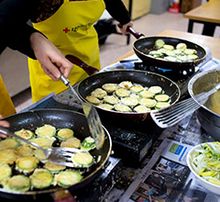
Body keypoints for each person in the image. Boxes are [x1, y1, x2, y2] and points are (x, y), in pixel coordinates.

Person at [28, 0, 132, 102]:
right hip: (54, 68)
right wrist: (34, 39)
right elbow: (12, 24)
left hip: (88, 58)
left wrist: (124, 19)